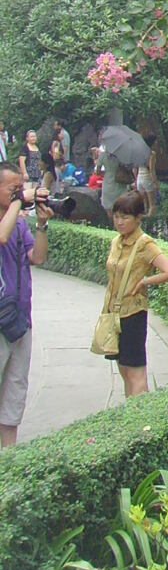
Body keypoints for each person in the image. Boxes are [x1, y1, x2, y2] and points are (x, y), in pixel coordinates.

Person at [105, 191, 168, 398]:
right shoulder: (116, 242)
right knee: (124, 370)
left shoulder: (145, 244)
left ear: (138, 218)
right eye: (116, 216)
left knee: (136, 372)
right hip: (114, 313)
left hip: (133, 314)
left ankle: (142, 421)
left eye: (125, 217)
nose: (119, 222)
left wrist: (145, 281)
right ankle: (130, 416)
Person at [0, 161, 51, 447]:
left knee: (14, 395)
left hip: (20, 320)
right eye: (12, 189)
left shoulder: (19, 223)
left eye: (20, 188)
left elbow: (38, 257)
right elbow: (1, 236)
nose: (18, 193)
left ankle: (8, 460)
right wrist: (20, 202)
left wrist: (42, 224)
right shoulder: (11, 222)